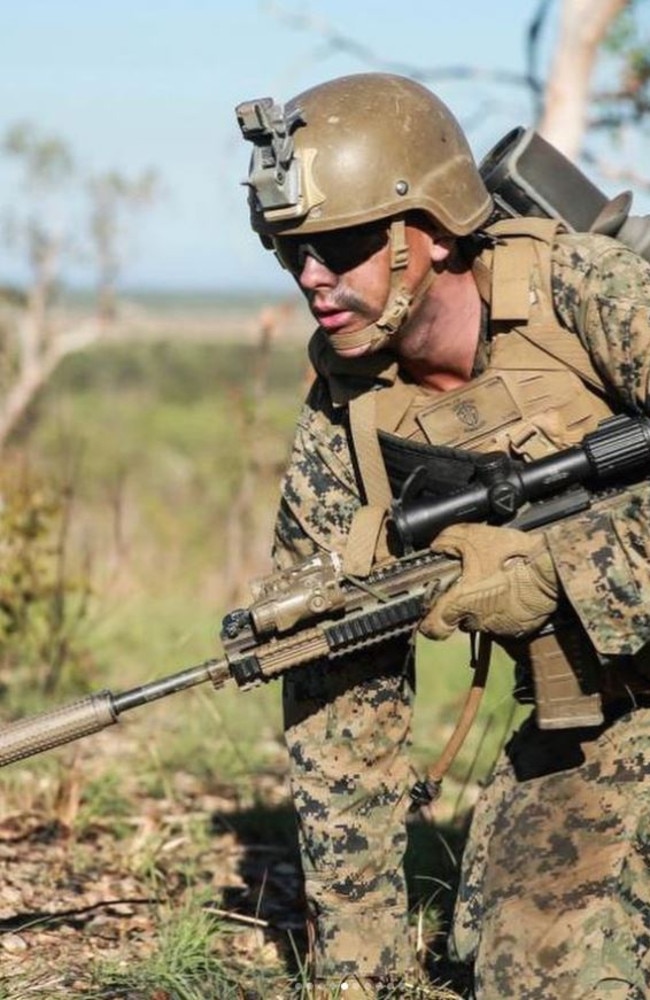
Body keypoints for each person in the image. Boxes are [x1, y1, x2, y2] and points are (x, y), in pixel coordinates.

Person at [235, 72, 650, 999]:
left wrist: (556, 568)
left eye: (337, 247)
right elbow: (337, 681)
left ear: (427, 231)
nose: (311, 279)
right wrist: (360, 976)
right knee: (534, 975)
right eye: (287, 250)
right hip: (609, 719)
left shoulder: (593, 293)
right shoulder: (349, 418)